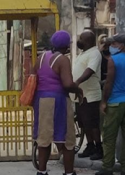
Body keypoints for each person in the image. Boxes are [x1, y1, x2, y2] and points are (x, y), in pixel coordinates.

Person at [33, 30, 82, 175]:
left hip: (41, 100)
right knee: (66, 138)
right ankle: (68, 172)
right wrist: (77, 89)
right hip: (58, 100)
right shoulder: (62, 59)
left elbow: (33, 77)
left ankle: (41, 171)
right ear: (66, 46)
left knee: (44, 138)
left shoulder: (41, 57)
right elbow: (67, 84)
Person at [96, 34, 125, 175]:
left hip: (115, 103)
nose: (111, 46)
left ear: (122, 45)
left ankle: (107, 167)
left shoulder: (113, 60)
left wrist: (104, 101)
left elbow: (109, 83)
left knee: (109, 136)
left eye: (114, 44)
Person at [73, 30, 103, 160]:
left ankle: (98, 148)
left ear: (88, 41)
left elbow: (90, 70)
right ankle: (90, 145)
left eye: (81, 39)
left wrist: (78, 81)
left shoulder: (95, 53)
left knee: (93, 124)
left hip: (90, 95)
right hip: (80, 95)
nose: (79, 41)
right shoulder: (84, 53)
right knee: (84, 124)